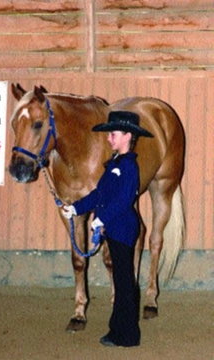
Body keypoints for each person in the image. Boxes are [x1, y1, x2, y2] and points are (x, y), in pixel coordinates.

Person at [62, 111, 153, 347]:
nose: (109, 138)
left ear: (127, 136)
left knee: (124, 284)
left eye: (113, 134)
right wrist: (75, 208)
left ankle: (128, 335)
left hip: (122, 228)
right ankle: (117, 331)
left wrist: (100, 219)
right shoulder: (115, 163)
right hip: (114, 228)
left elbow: (122, 201)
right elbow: (100, 194)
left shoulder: (129, 167)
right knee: (123, 283)